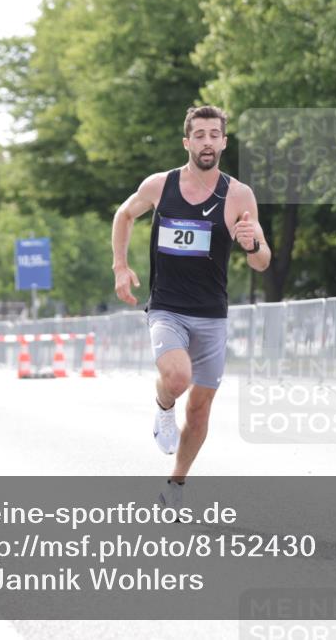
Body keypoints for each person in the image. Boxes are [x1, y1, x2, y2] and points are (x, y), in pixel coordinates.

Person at [111, 105, 271, 507]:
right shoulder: (160, 185)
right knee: (178, 378)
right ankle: (164, 404)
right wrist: (120, 266)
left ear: (224, 142)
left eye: (214, 135)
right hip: (167, 306)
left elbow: (261, 260)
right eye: (198, 135)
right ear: (187, 142)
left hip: (212, 314)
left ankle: (175, 486)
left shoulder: (238, 195)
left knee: (200, 410)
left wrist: (251, 242)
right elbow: (124, 214)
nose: (206, 142)